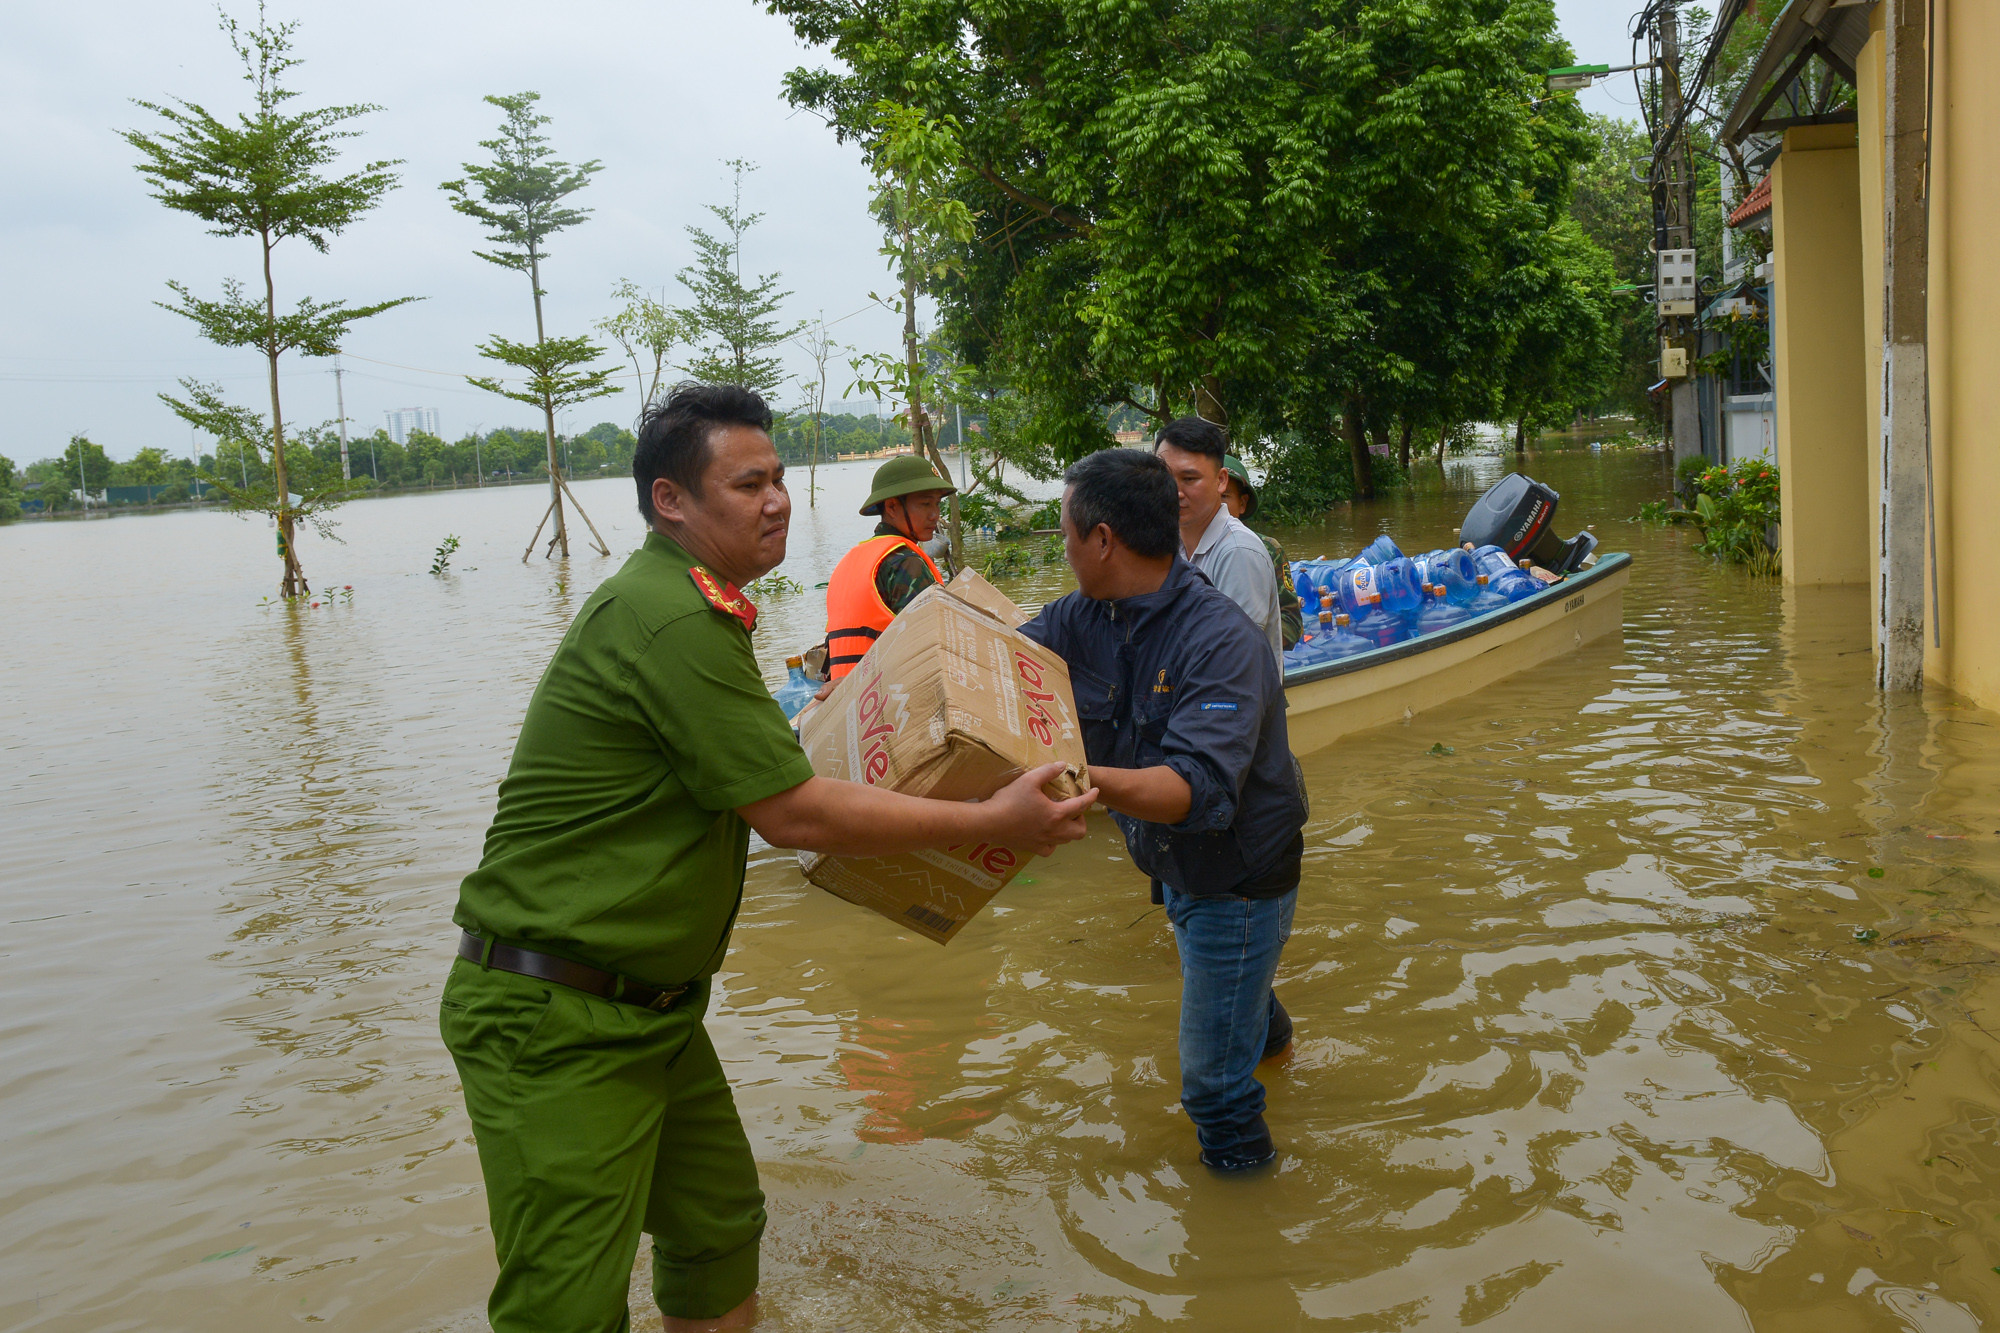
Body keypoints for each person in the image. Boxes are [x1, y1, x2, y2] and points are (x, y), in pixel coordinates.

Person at [439, 383, 1096, 1333]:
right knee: (565, 1306)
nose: (778, 499)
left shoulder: (699, 610)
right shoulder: (667, 617)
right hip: (559, 1019)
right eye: (748, 484)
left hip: (652, 1007)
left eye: (779, 478)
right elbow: (791, 811)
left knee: (716, 1228)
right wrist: (987, 815)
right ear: (672, 501)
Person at [1020, 448, 1307, 1172]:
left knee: (1211, 1086)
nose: (1063, 548)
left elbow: (1192, 788)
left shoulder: (1218, 639)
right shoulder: (1084, 617)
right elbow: (999, 654)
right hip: (1172, 860)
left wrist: (1074, 778)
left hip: (1238, 871)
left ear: (1104, 539)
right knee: (1239, 984)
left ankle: (1248, 1244)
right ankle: (1281, 1050)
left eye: (1065, 535)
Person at [1152, 417, 1282, 667]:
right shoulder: (1168, 546)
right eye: (1165, 478)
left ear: (1221, 480)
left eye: (1189, 479)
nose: (1175, 492)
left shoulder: (1238, 552)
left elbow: (1233, 658)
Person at [820, 453, 958, 682]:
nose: (935, 515)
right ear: (892, 507)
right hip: (887, 695)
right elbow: (932, 642)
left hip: (849, 698)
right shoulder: (905, 562)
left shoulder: (852, 558)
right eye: (925, 504)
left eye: (937, 504)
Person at [1220, 453, 1303, 651]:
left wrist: (1247, 645)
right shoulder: (1183, 548)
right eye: (1211, 494)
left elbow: (1291, 621)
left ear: (1242, 503)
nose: (1217, 504)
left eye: (1225, 496)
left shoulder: (1267, 549)